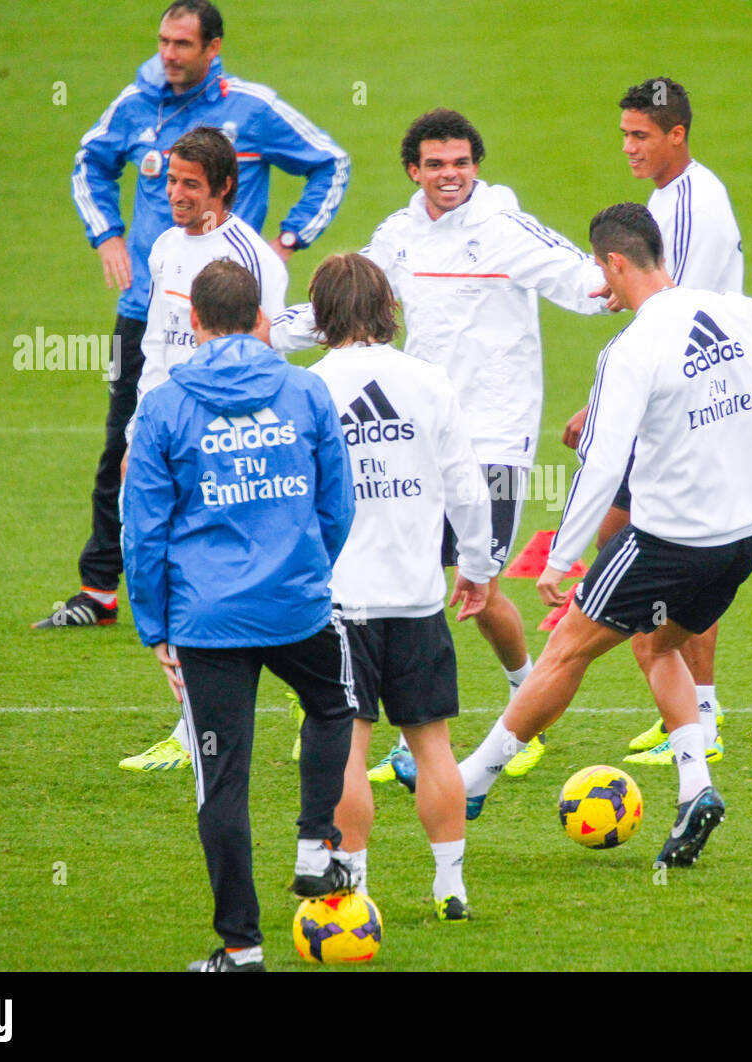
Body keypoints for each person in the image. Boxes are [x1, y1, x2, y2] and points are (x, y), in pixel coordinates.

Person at [458, 203, 752, 871]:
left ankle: (472, 781)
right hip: (742, 538)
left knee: (566, 652)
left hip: (666, 540)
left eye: (598, 272)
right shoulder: (735, 311)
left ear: (614, 263)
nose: (598, 287)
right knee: (658, 645)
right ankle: (696, 787)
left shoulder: (632, 349)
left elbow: (602, 464)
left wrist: (565, 554)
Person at [271, 108, 609, 783]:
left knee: (473, 582)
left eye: (460, 163)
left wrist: (633, 292)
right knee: (420, 581)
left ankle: (516, 702)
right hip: (417, 429)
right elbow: (343, 303)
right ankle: (422, 718)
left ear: (475, 166)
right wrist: (260, 334)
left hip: (496, 438)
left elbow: (588, 282)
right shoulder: (398, 238)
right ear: (413, 170)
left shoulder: (507, 229)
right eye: (435, 164)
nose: (449, 175)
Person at [41, 0, 349, 629]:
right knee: (120, 451)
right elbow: (88, 163)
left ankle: (241, 581)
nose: (169, 54)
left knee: (224, 469)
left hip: (228, 322)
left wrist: (291, 236)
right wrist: (107, 234)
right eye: (162, 41)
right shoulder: (135, 106)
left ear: (214, 48)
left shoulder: (252, 113)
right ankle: (102, 588)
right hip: (150, 307)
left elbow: (331, 162)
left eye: (182, 43)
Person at [122, 259, 357, 972]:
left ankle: (241, 948)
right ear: (261, 317)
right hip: (296, 602)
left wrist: (156, 626)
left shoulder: (164, 405)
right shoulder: (305, 389)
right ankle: (317, 846)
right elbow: (337, 504)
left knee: (221, 780)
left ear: (193, 322)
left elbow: (142, 530)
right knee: (333, 702)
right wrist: (307, 564)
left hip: (205, 620)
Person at [305, 253, 498, 922]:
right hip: (419, 596)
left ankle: (351, 888)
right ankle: (451, 887)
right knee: (432, 743)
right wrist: (478, 566)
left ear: (322, 310)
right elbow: (468, 489)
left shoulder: (309, 387)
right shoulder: (429, 379)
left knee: (346, 745)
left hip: (340, 601)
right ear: (386, 305)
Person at [561, 77, 745, 766]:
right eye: (625, 134)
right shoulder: (668, 198)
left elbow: (676, 316)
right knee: (634, 540)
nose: (629, 147)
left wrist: (601, 407)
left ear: (678, 134)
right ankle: (693, 715)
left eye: (641, 135)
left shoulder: (694, 205)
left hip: (690, 406)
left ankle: (696, 719)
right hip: (683, 399)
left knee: (645, 545)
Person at [109, 125, 289, 771]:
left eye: (191, 184)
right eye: (171, 180)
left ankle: (300, 689)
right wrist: (136, 435)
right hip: (164, 431)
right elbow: (157, 348)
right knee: (158, 560)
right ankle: (191, 728)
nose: (176, 193)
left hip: (222, 441)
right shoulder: (161, 246)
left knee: (220, 572)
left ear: (224, 188)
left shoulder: (254, 257)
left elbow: (266, 353)